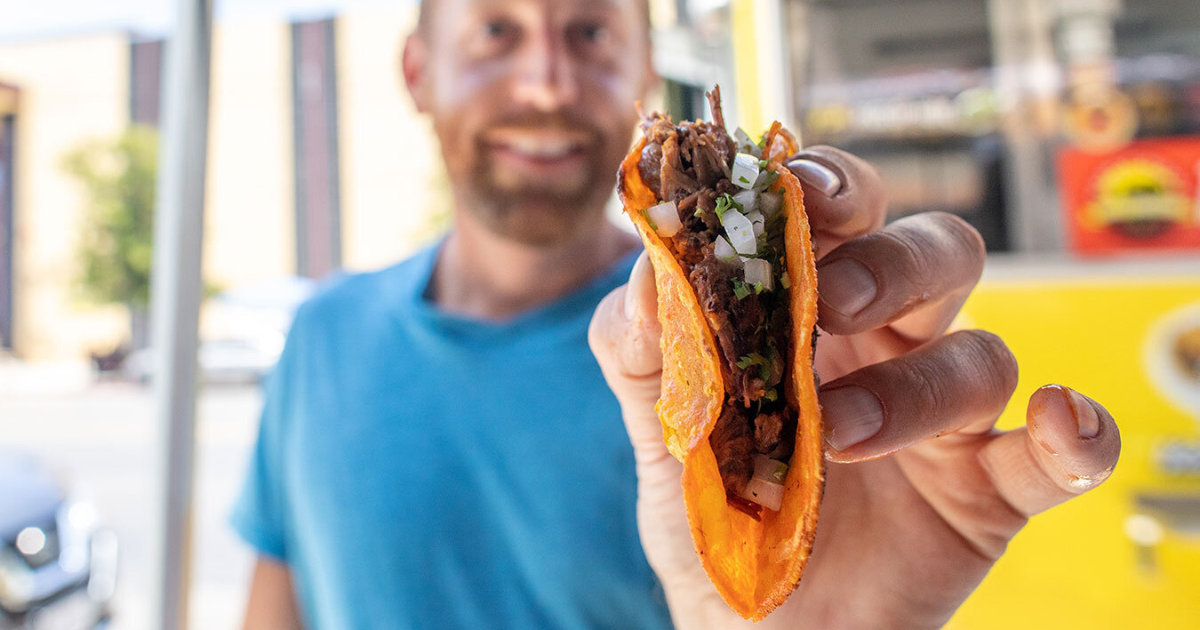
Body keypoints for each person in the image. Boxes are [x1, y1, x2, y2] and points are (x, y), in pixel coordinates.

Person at [235, 0, 1122, 628]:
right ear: (417, 72)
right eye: (496, 29)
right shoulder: (321, 339)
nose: (546, 84)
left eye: (589, 30)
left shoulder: (817, 358)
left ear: (643, 74)